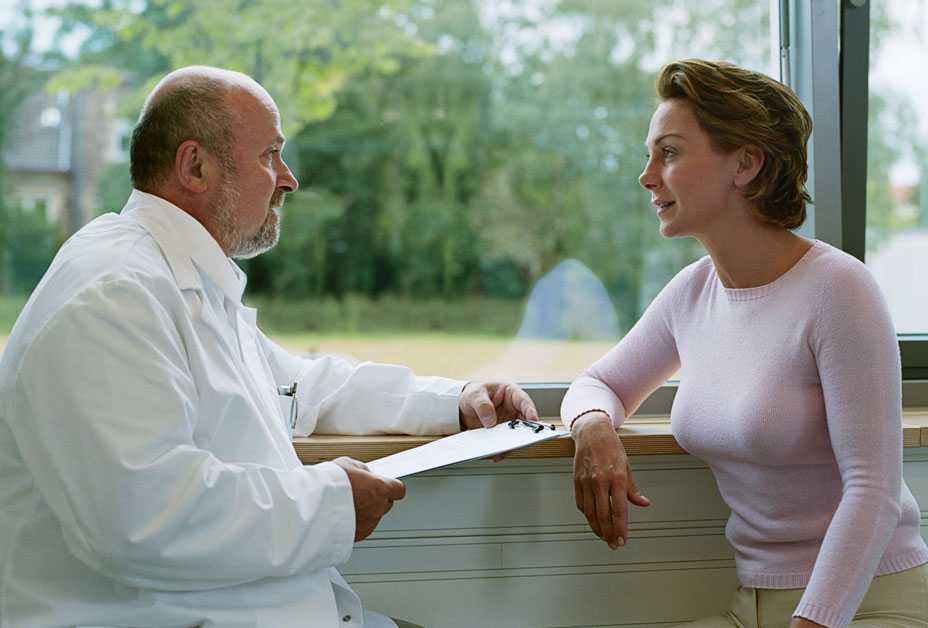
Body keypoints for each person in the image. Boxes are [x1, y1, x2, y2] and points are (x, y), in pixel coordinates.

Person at [0, 66, 538, 628]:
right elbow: (143, 517)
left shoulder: (184, 282)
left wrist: (454, 401)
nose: (288, 179)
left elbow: (300, 385)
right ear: (195, 167)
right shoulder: (113, 294)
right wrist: (331, 502)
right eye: (269, 155)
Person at [560, 58, 928, 628]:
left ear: (746, 164)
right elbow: (599, 383)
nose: (647, 175)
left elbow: (874, 491)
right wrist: (593, 429)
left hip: (867, 605)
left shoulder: (839, 288)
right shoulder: (693, 292)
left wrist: (812, 622)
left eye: (670, 152)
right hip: (751, 605)